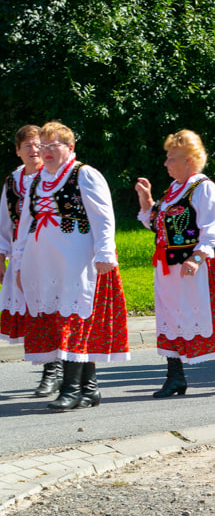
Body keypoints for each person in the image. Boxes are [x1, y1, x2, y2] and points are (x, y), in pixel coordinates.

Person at [134, 130, 215, 396]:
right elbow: (160, 228)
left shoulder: (203, 187)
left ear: (189, 160)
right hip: (170, 267)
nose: (166, 163)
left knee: (213, 316)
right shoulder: (173, 190)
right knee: (172, 317)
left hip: (200, 265)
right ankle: (175, 377)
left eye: (172, 158)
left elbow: (211, 229)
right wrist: (147, 201)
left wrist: (196, 257)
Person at [13, 121, 129, 411]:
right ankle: (89, 390)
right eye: (44, 145)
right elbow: (26, 224)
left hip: (79, 260)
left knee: (75, 320)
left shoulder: (84, 174)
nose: (47, 151)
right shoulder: (38, 181)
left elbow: (104, 217)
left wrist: (105, 253)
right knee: (59, 321)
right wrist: (19, 263)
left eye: (54, 145)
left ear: (70, 147)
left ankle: (72, 389)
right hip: (45, 263)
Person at [0, 125, 60, 397]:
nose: (34, 150)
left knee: (53, 310)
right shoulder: (12, 183)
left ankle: (56, 371)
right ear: (17, 151)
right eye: (28, 146)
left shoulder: (55, 178)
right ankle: (51, 368)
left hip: (53, 256)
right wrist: (1, 257)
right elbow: (4, 223)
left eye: (39, 145)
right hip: (23, 257)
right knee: (35, 314)